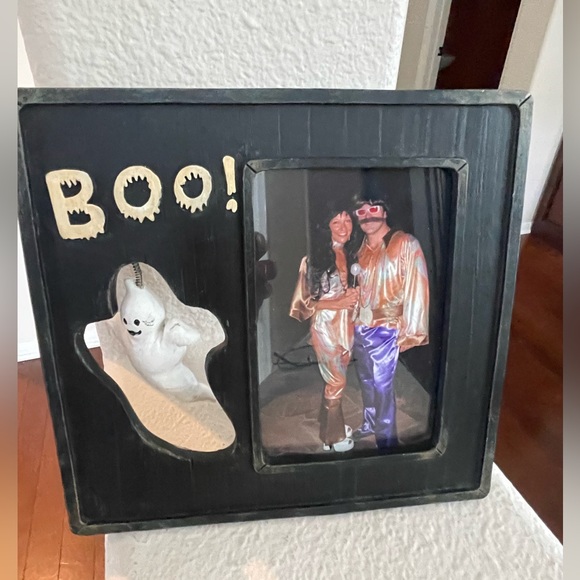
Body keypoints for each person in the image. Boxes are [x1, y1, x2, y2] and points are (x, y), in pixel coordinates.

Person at [351, 199, 429, 449]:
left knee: (382, 386)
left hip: (386, 327)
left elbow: (417, 286)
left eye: (373, 209)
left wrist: (411, 331)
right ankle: (370, 423)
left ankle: (386, 441)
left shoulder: (405, 243)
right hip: (360, 326)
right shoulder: (361, 249)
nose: (367, 216)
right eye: (361, 211)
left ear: (385, 211)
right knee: (365, 379)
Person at [289, 207, 359, 452]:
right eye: (336, 222)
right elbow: (301, 304)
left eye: (347, 220)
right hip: (325, 326)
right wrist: (337, 302)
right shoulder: (312, 260)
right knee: (336, 380)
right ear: (326, 227)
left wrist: (353, 295)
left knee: (337, 377)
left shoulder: (350, 255)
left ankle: (329, 423)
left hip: (346, 325)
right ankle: (332, 438)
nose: (343, 227)